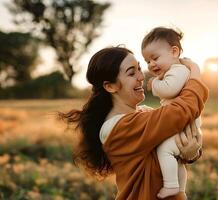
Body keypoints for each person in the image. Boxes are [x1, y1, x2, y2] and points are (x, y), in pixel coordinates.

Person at [59, 46, 208, 200]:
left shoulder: (144, 113)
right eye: (131, 73)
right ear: (110, 86)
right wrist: (194, 73)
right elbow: (181, 112)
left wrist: (191, 153)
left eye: (139, 68)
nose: (141, 76)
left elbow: (175, 140)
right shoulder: (119, 127)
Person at [141, 27, 203, 198]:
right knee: (177, 161)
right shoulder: (178, 70)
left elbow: (169, 90)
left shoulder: (178, 71)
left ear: (174, 52)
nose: (151, 64)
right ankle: (180, 191)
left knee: (165, 150)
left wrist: (154, 84)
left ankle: (171, 186)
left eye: (155, 58)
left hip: (183, 125)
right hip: (184, 124)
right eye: (147, 61)